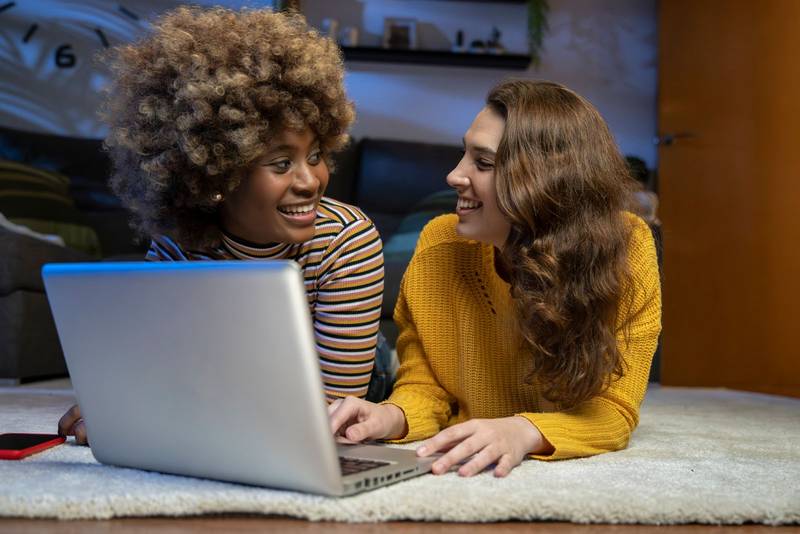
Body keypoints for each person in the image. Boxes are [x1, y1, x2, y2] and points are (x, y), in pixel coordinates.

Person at [58, 6, 385, 444]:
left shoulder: (346, 240)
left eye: (316, 156)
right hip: (240, 388)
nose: (310, 181)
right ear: (217, 175)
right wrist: (119, 407)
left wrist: (171, 411)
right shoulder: (179, 246)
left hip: (362, 375)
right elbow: (164, 373)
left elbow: (335, 411)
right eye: (282, 163)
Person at [329, 80, 662, 478]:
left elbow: (613, 411)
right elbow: (426, 387)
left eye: (482, 163)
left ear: (546, 182)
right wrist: (390, 416)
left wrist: (522, 431)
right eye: (463, 155)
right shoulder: (438, 244)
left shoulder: (628, 247)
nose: (454, 175)